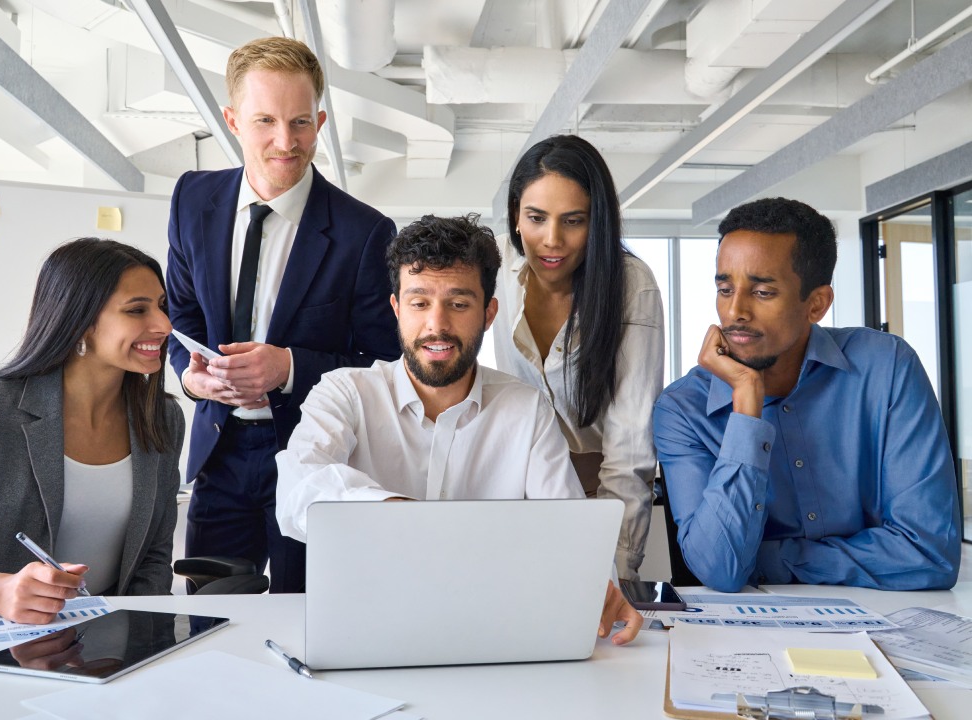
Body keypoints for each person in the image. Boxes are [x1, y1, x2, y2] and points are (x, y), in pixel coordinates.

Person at [276, 214, 643, 644]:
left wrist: (597, 586)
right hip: (367, 628)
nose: (437, 325)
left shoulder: (525, 410)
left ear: (489, 312)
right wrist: (400, 516)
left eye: (459, 303)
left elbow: (567, 528)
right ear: (396, 309)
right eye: (419, 302)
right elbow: (298, 489)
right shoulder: (345, 391)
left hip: (492, 631)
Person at [166, 37, 400, 593]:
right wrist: (191, 377)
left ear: (320, 120)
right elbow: (181, 315)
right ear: (232, 120)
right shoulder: (191, 200)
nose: (285, 141)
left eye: (300, 122)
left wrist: (290, 368)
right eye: (265, 120)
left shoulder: (364, 232)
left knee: (309, 618)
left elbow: (384, 362)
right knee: (211, 621)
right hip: (218, 455)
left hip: (316, 457)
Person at [653, 197, 960, 592]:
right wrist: (747, 409)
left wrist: (771, 559)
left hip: (889, 625)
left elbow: (929, 554)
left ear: (816, 304)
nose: (735, 312)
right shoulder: (683, 408)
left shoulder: (887, 368)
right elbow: (720, 569)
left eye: (762, 293)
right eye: (725, 288)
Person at [0, 238, 183, 621]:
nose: (164, 325)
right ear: (80, 322)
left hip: (108, 641)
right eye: (136, 310)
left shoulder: (160, 418)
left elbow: (153, 556)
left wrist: (137, 634)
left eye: (161, 306)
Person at [493, 134, 664, 580]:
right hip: (508, 505)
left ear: (598, 223)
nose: (552, 240)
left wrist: (615, 567)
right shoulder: (492, 273)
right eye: (535, 218)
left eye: (573, 220)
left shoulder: (631, 285)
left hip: (597, 502)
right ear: (515, 216)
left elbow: (630, 447)